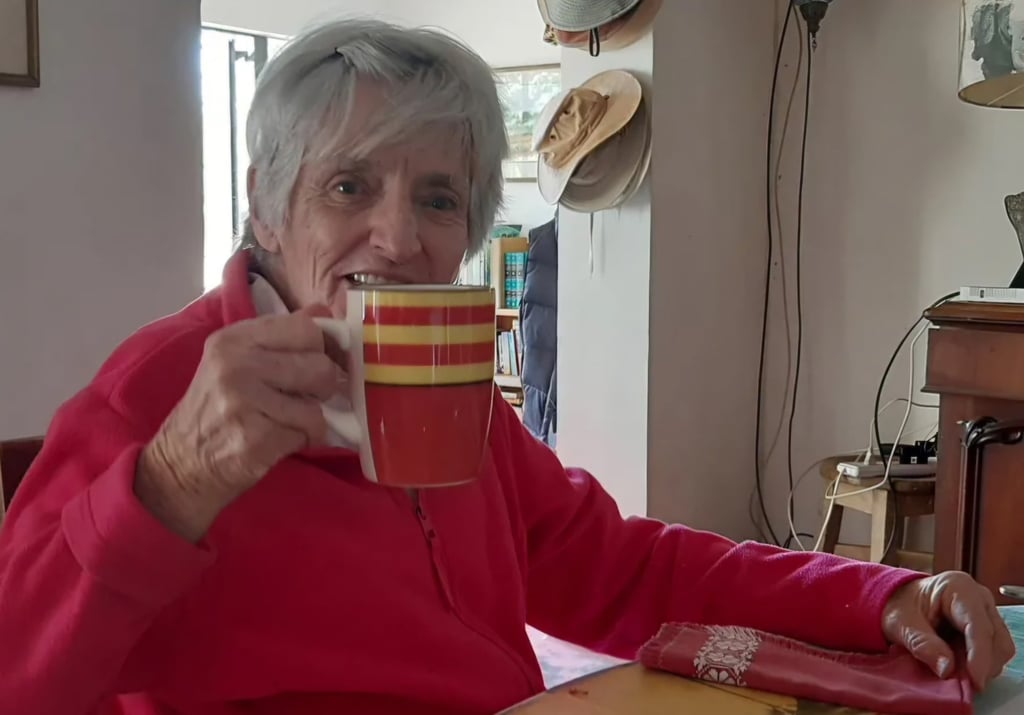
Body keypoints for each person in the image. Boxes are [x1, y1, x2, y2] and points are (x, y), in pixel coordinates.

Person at [0, 18, 1014, 715]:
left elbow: (620, 569)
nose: (396, 238)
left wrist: (872, 594)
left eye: (438, 198)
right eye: (349, 185)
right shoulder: (159, 392)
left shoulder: (449, 394)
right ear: (267, 205)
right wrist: (172, 486)